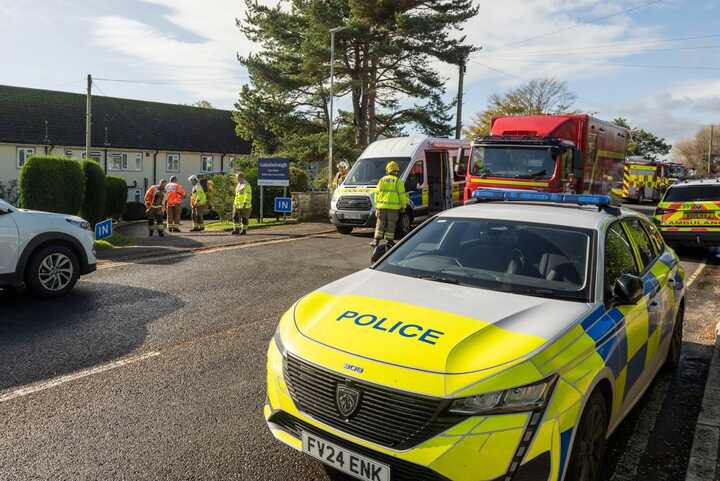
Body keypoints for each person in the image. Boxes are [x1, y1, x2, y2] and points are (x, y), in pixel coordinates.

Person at [372, 160, 408, 247]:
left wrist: (376, 206)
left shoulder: (382, 180)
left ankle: (375, 241)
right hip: (393, 208)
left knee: (380, 223)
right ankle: (390, 241)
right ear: (396, 170)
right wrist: (403, 206)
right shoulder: (398, 181)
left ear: (388, 170)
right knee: (391, 224)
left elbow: (376, 193)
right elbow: (402, 195)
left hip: (381, 207)